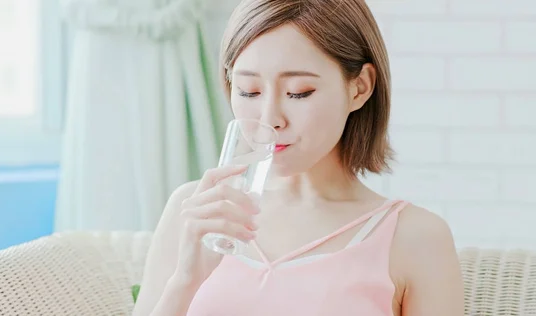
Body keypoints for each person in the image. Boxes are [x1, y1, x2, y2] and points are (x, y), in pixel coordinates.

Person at [132, 0, 465, 315]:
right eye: (249, 91)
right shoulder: (195, 210)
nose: (270, 118)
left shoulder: (416, 237)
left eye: (298, 93)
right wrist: (185, 282)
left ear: (360, 88)